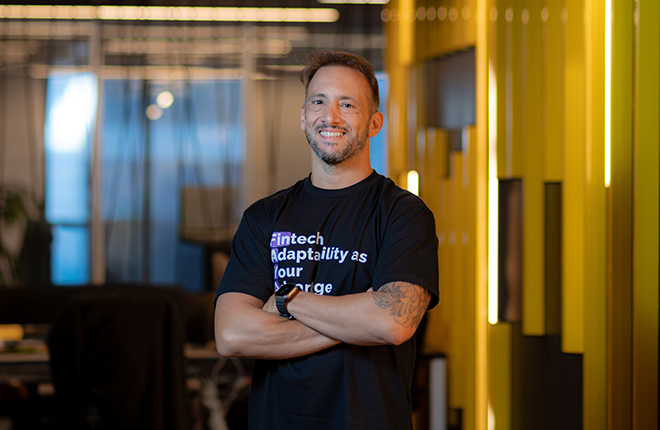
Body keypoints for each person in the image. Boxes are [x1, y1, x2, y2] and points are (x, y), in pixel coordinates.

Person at [214, 49, 439, 430]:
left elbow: (392, 322)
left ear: (374, 122)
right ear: (303, 116)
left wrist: (287, 300)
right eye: (319, 102)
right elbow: (231, 335)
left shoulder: (403, 214)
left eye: (347, 104)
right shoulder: (264, 217)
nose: (330, 117)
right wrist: (356, 321)